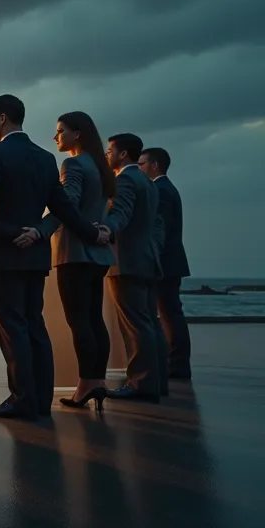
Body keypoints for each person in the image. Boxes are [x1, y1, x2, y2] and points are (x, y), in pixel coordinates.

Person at [0, 95, 103, 421]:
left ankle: (21, 400)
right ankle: (40, 400)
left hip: (2, 254)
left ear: (1, 119)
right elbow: (63, 206)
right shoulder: (44, 157)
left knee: (13, 329)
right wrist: (92, 233)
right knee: (35, 326)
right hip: (36, 254)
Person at [35, 112, 117, 411]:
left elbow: (65, 204)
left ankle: (85, 385)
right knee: (95, 319)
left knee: (79, 321)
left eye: (60, 131)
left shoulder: (72, 164)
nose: (56, 137)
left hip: (75, 251)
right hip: (100, 254)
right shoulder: (102, 167)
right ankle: (98, 382)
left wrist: (40, 230)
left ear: (77, 134)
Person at [102, 133, 166, 403]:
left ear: (123, 154)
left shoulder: (125, 179)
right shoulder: (148, 182)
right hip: (148, 259)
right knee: (150, 322)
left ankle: (140, 383)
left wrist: (107, 228)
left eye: (110, 150)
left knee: (135, 324)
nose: (107, 155)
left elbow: (122, 212)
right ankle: (157, 380)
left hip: (127, 260)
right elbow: (156, 221)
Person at [139, 147, 192, 380]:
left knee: (169, 314)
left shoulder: (160, 190)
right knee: (170, 313)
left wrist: (151, 259)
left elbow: (158, 229)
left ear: (155, 165)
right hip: (171, 261)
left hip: (164, 263)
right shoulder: (167, 189)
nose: (139, 168)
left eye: (141, 164)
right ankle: (176, 364)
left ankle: (176, 366)